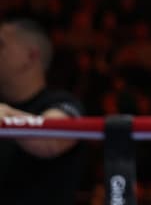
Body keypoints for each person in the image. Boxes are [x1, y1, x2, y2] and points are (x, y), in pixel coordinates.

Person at [0, 16, 88, 204]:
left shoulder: (63, 103)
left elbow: (50, 140)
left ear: (31, 56)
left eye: (2, 45)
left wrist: (5, 115)